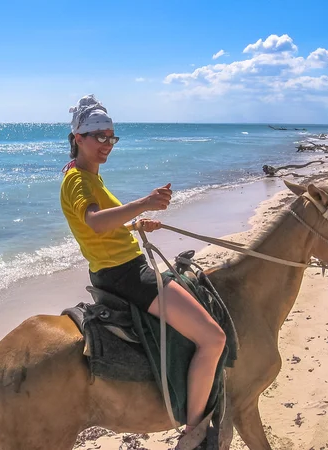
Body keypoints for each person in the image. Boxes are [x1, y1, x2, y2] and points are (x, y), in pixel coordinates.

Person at [60, 95, 226, 439]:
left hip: (116, 266)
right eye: (98, 137)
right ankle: (194, 432)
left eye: (111, 137)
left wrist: (136, 225)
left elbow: (103, 227)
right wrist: (143, 203)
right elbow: (94, 222)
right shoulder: (78, 181)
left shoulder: (88, 175)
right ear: (78, 137)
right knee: (213, 338)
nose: (107, 144)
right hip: (126, 274)